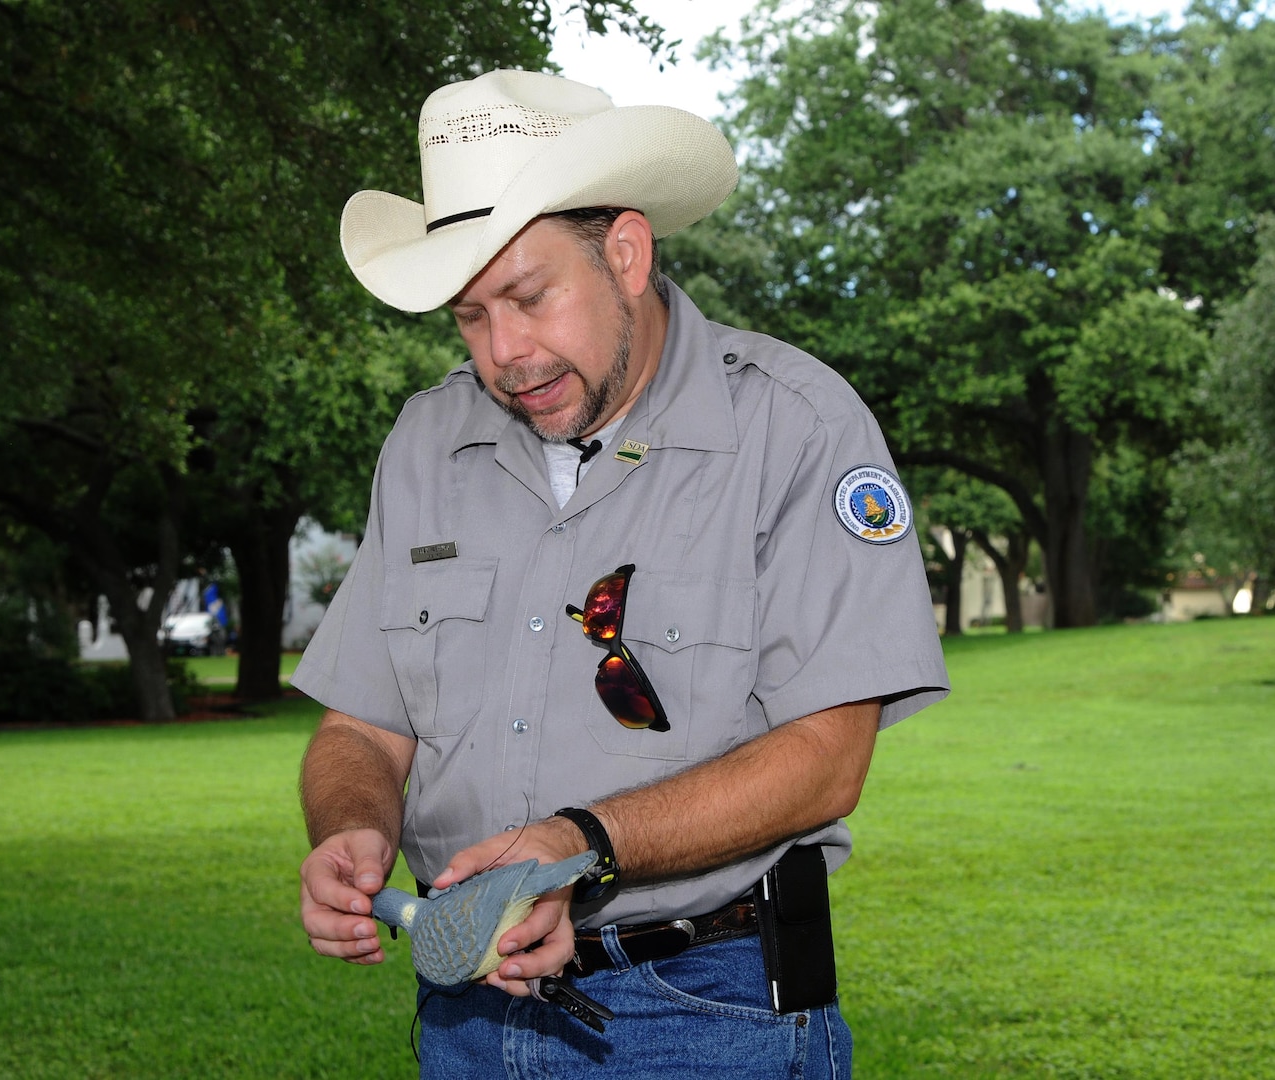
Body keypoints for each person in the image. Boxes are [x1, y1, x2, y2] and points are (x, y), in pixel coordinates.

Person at [295, 69, 949, 1078]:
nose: (504, 352)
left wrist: (580, 844)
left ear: (627, 255)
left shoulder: (792, 427)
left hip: (706, 1008)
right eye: (469, 316)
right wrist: (349, 828)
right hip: (462, 1013)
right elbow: (361, 728)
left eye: (528, 296)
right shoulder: (427, 441)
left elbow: (828, 754)